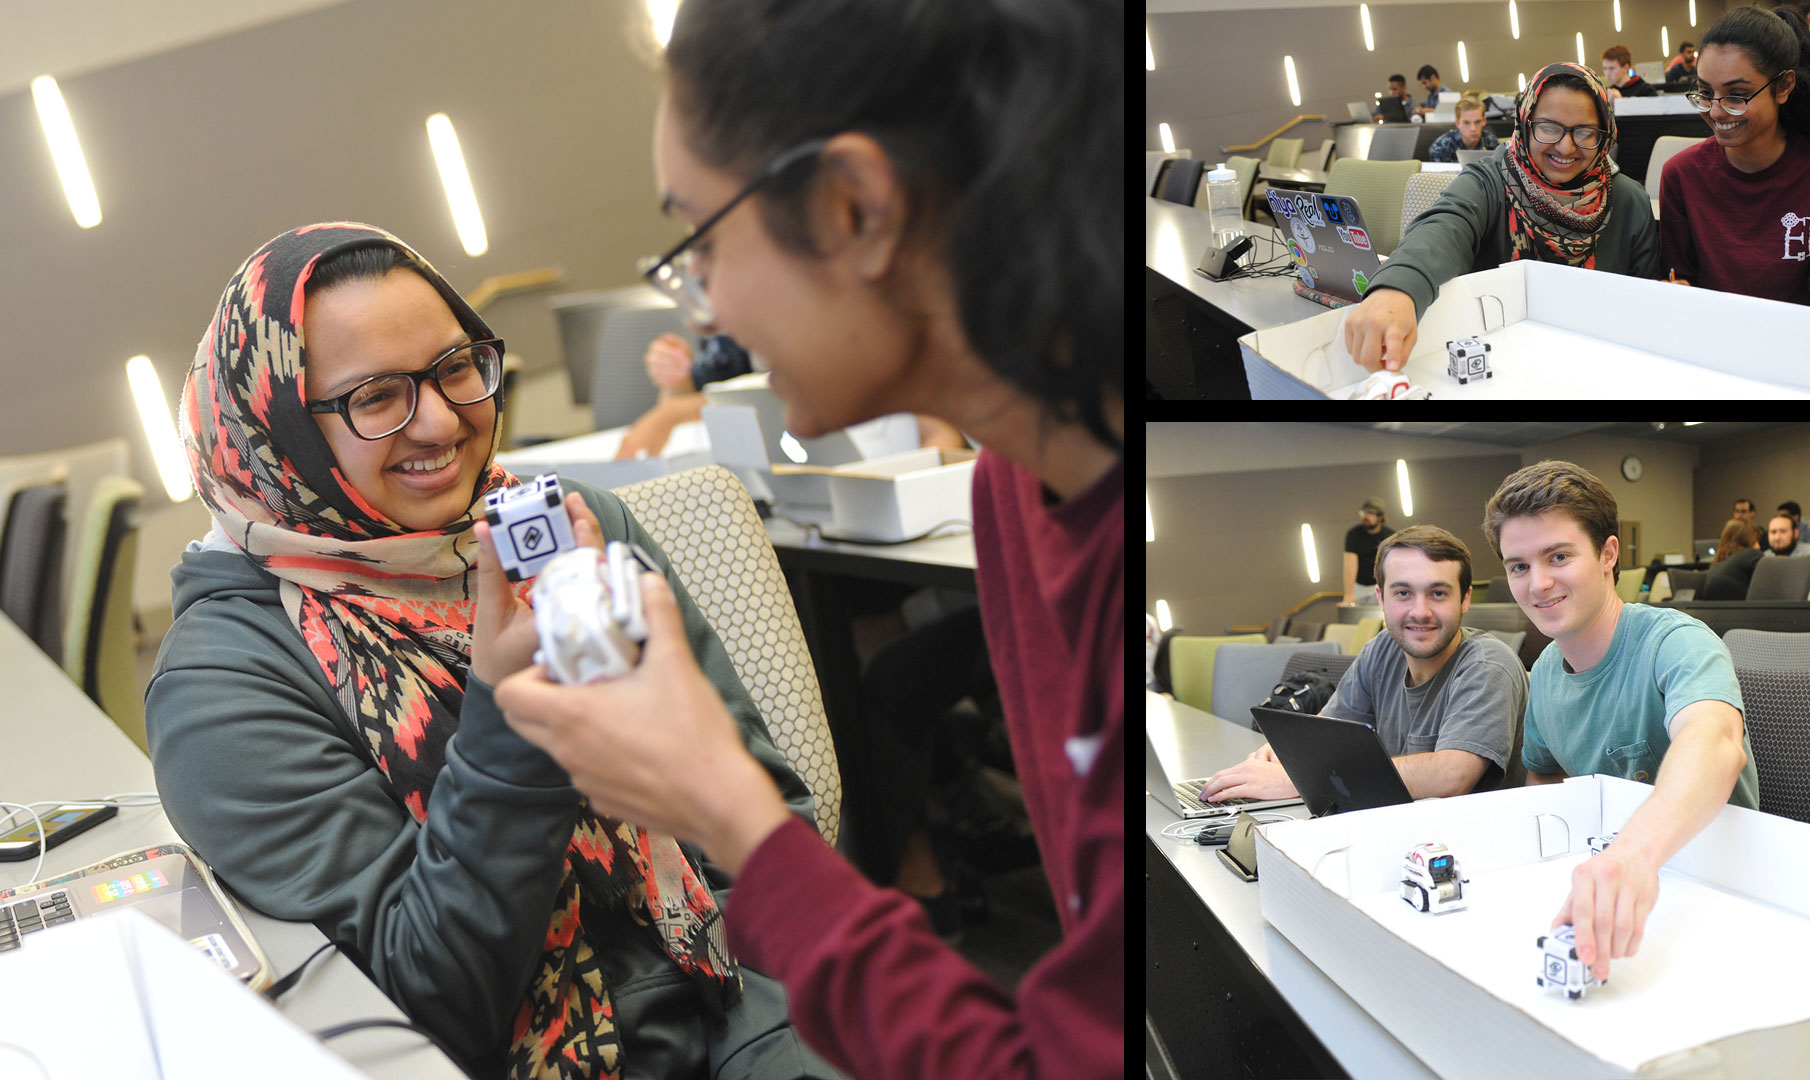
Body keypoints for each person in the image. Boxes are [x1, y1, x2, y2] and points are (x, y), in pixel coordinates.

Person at [494, 1, 1125, 1078]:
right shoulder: (1019, 494)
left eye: (699, 243)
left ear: (854, 209)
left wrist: (730, 814)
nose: (708, 309)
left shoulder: (1099, 535)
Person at [147, 223, 839, 1080]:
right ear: (277, 431)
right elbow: (428, 1002)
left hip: (748, 1010)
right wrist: (513, 726)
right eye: (374, 397)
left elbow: (761, 806)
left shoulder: (559, 527)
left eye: (457, 367)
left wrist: (774, 1027)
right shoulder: (224, 689)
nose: (441, 419)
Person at [1486, 459, 1758, 985]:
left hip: (1716, 890)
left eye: (1558, 556)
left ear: (1609, 554)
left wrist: (1632, 856)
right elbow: (1544, 780)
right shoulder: (1542, 672)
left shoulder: (1677, 641)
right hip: (1610, 886)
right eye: (1518, 566)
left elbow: (1716, 743)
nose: (1538, 583)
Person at [1343, 62, 1659, 373]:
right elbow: (1445, 226)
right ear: (1524, 123)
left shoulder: (1629, 202)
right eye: (1548, 128)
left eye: (1585, 132)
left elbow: (1647, 308)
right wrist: (1398, 287)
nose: (1566, 146)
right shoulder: (1490, 179)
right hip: (1501, 372)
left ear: (1605, 132)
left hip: (1596, 371)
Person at [1200, 525, 1528, 805]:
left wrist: (1295, 782)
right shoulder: (1381, 650)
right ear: (1381, 598)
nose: (1420, 611)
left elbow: (1452, 776)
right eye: (1402, 593)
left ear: (1466, 598)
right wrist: (1285, 755)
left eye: (1438, 593)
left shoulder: (1488, 665)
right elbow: (1325, 736)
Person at [1659, 5, 1810, 312]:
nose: (1716, 111)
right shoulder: (1681, 174)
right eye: (1704, 92)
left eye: (1737, 94)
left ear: (1784, 86)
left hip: (1803, 349)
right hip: (1710, 345)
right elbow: (1679, 283)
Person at [615, 331, 966, 459]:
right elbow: (726, 398)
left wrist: (673, 412)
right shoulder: (731, 339)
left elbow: (942, 433)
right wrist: (675, 387)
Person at [1342, 497, 1391, 606]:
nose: (1365, 516)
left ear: (1380, 517)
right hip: (1359, 586)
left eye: (1370, 513)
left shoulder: (1389, 536)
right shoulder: (1353, 534)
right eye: (1363, 512)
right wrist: (1349, 594)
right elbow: (1350, 564)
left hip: (1380, 585)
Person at [1699, 518, 1764, 599]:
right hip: (1741, 609)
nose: (1759, 546)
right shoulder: (1751, 554)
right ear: (1746, 539)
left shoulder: (1718, 563)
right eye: (1755, 540)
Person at [1427, 95, 1504, 162]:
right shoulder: (1440, 148)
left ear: (1484, 121)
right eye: (1466, 123)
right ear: (1457, 123)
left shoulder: (1492, 142)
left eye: (1477, 122)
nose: (1473, 128)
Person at [1763, 510, 1810, 580]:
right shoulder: (1764, 558)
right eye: (1773, 532)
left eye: (1783, 531)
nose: (1777, 537)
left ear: (1795, 533)